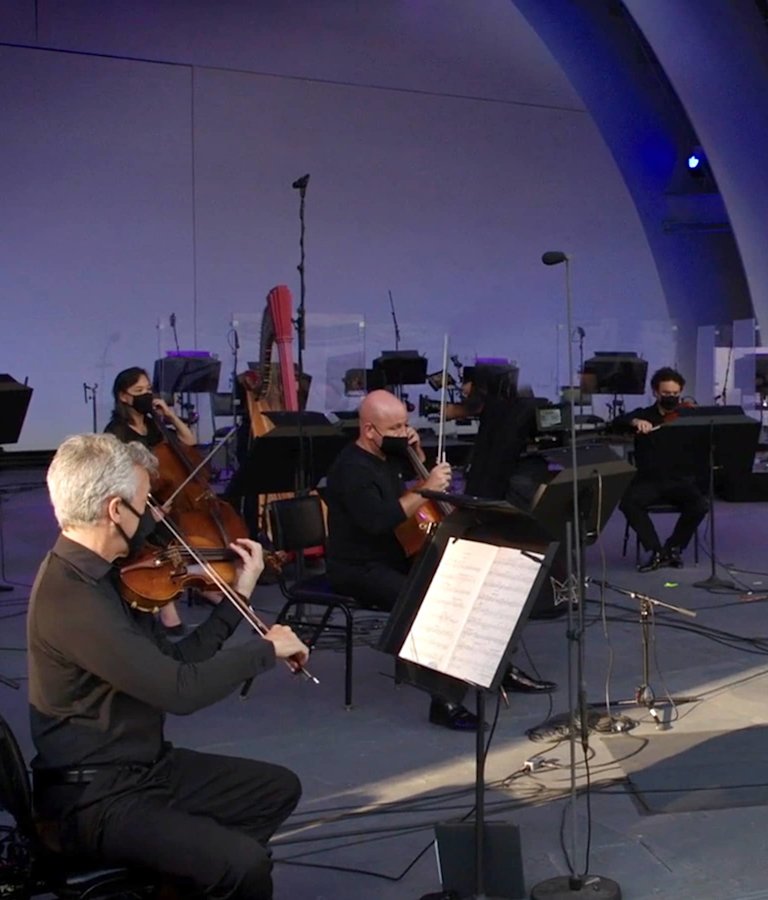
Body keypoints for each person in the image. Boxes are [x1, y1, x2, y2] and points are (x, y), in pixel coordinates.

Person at [28, 433, 309, 899]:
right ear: (115, 510)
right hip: (96, 798)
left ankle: (181, 882)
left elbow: (176, 660)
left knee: (275, 790)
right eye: (145, 504)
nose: (154, 517)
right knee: (244, 865)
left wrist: (238, 595)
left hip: (143, 769)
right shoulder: (72, 596)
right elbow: (180, 691)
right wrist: (265, 650)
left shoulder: (105, 577)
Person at [105, 366, 196, 634]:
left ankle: (193, 583)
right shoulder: (117, 430)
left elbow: (188, 442)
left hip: (160, 494)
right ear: (124, 396)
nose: (146, 395)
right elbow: (118, 478)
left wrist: (169, 414)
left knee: (183, 528)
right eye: (138, 391)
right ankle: (166, 605)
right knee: (155, 534)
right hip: (135, 499)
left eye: (148, 390)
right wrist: (146, 510)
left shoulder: (154, 424)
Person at [611, 366, 709, 572]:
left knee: (700, 505)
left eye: (675, 394)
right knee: (628, 503)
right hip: (649, 480)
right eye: (666, 394)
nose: (671, 397)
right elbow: (616, 423)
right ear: (656, 392)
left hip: (679, 480)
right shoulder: (644, 415)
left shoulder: (687, 416)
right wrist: (635, 422)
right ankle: (656, 551)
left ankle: (674, 547)